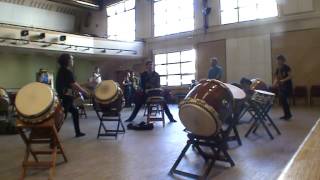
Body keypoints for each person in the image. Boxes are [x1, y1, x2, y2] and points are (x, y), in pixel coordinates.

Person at [56, 53, 89, 137]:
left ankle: (77, 132)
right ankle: (53, 140)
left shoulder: (62, 70)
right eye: (72, 59)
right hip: (66, 97)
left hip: (65, 97)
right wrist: (84, 91)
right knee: (61, 118)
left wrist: (83, 85)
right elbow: (73, 84)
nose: (73, 60)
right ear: (67, 61)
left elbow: (71, 84)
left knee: (75, 112)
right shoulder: (67, 71)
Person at [273, 55, 293, 120]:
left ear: (283, 60)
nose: (278, 61)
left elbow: (290, 76)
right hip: (281, 87)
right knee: (282, 100)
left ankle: (288, 115)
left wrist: (283, 80)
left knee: (283, 99)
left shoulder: (287, 67)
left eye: (280, 60)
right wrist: (274, 84)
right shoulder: (278, 68)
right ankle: (286, 114)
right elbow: (276, 78)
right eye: (278, 60)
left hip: (287, 86)